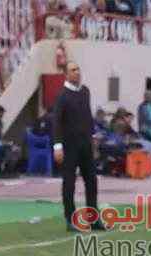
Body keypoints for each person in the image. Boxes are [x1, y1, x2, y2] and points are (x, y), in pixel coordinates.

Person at [52, 61, 103, 231]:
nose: (77, 72)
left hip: (86, 144)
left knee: (91, 181)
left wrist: (93, 139)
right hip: (69, 146)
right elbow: (57, 121)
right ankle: (70, 219)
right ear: (66, 74)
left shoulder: (85, 91)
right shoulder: (62, 96)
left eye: (78, 69)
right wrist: (57, 146)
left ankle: (93, 219)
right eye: (73, 70)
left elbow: (88, 116)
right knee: (69, 183)